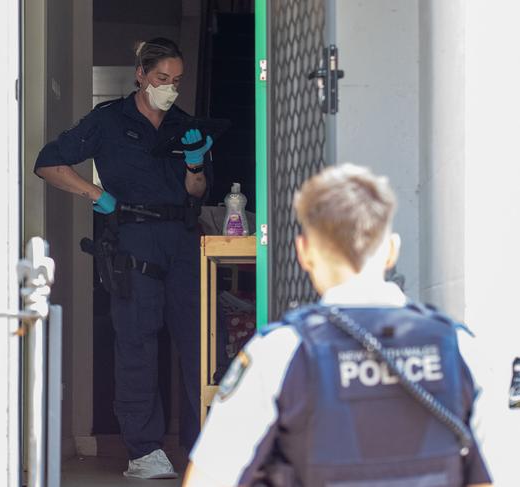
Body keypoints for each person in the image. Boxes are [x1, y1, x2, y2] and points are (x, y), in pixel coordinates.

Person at [184, 164, 492, 487]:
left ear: (303, 252)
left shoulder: (279, 353)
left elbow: (207, 479)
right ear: (391, 250)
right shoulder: (461, 348)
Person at [34, 38, 213, 479]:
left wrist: (195, 164)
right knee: (137, 341)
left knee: (198, 343)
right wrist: (97, 195)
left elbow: (199, 193)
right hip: (132, 236)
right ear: (140, 73)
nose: (169, 89)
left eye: (176, 81)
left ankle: (203, 446)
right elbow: (48, 164)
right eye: (160, 79)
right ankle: (144, 452)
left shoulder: (184, 125)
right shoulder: (109, 121)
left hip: (183, 238)